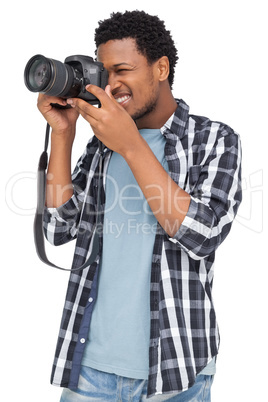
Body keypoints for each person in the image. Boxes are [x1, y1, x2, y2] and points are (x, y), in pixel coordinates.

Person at [37, 10, 242, 401]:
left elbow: (203, 235)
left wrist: (130, 144)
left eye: (123, 70)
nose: (111, 85)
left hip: (177, 370)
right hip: (90, 371)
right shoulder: (100, 145)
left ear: (161, 67)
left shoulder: (214, 139)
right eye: (104, 72)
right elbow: (57, 230)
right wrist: (63, 135)